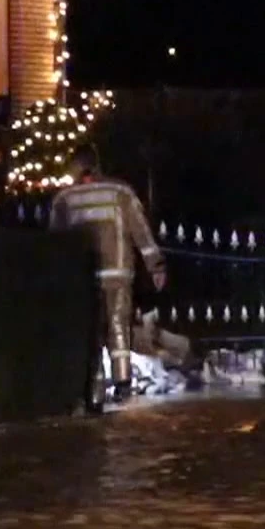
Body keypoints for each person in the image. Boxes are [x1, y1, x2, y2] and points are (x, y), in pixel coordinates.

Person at [48, 144, 170, 404]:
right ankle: (123, 382)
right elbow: (141, 232)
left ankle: (94, 385)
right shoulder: (120, 192)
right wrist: (156, 266)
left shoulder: (64, 199)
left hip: (84, 275)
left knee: (92, 329)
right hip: (119, 272)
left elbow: (54, 241)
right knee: (118, 325)